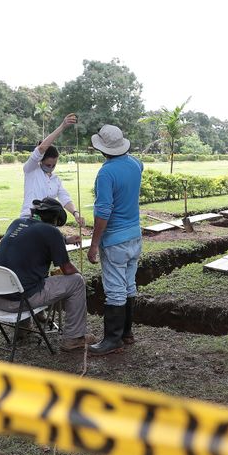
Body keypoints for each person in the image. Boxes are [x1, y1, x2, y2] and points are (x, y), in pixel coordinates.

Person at [0, 197, 89, 352]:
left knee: (23, 272)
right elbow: (68, 270)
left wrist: (64, 240)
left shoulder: (17, 223)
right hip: (18, 303)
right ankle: (74, 338)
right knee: (76, 281)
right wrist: (82, 276)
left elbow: (36, 236)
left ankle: (24, 327)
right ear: (55, 219)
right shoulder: (51, 232)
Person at [86, 125, 143, 356]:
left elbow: (103, 212)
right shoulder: (136, 164)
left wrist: (94, 244)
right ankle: (126, 334)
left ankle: (112, 340)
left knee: (115, 291)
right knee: (129, 285)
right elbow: (139, 167)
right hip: (135, 236)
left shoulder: (106, 173)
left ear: (102, 149)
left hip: (115, 240)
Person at [19, 113, 85, 227]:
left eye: (53, 165)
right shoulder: (31, 170)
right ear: (40, 161)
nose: (50, 168)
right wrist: (62, 127)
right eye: (47, 165)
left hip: (48, 223)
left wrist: (76, 213)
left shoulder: (56, 180)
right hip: (29, 220)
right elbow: (41, 148)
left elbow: (65, 198)